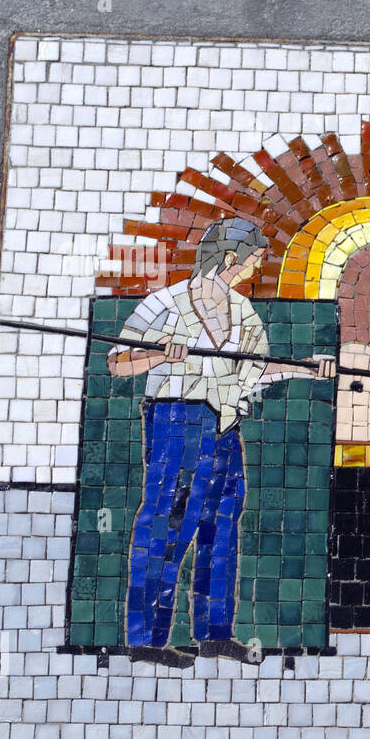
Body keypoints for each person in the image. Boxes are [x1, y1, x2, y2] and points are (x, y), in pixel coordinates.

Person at [108, 217, 336, 658]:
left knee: (221, 529)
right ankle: (147, 640)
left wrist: (304, 367)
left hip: (226, 426)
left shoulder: (243, 314)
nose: (255, 269)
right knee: (166, 527)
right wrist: (159, 352)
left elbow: (253, 373)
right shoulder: (166, 304)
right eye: (253, 260)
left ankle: (213, 633)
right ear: (231, 258)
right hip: (178, 421)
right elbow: (117, 362)